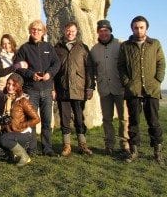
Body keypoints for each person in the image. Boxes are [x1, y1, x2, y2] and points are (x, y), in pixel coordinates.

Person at [118, 16, 165, 163]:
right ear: (132, 28)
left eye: (141, 27)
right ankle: (134, 151)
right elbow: (121, 66)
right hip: (133, 90)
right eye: (136, 27)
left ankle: (157, 152)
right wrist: (127, 83)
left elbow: (161, 63)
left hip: (152, 89)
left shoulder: (155, 43)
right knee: (134, 122)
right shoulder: (126, 46)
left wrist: (158, 80)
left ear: (146, 28)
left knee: (154, 121)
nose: (139, 30)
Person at [14, 20, 61, 157]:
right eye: (34, 29)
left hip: (46, 89)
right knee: (32, 120)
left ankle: (47, 148)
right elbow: (18, 67)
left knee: (46, 120)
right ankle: (32, 148)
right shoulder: (24, 48)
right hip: (31, 89)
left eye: (39, 30)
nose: (36, 31)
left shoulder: (48, 47)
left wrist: (49, 74)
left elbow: (56, 63)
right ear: (30, 30)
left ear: (43, 32)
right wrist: (30, 74)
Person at [54, 21, 95, 157]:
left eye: (72, 30)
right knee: (65, 118)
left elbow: (89, 69)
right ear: (64, 31)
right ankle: (67, 145)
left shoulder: (83, 47)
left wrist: (90, 87)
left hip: (79, 88)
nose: (70, 33)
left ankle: (82, 144)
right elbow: (53, 69)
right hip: (62, 87)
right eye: (68, 30)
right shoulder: (57, 48)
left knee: (79, 117)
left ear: (76, 32)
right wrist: (53, 88)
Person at [90, 19, 129, 155]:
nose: (103, 33)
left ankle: (125, 144)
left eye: (106, 30)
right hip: (104, 89)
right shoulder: (94, 50)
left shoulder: (120, 45)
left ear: (110, 31)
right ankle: (109, 145)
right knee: (107, 119)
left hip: (120, 88)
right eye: (101, 31)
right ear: (98, 33)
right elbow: (92, 70)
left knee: (124, 118)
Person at [0, 73, 41, 166]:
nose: (10, 87)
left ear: (18, 86)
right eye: (8, 84)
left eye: (13, 85)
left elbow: (36, 119)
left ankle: (24, 156)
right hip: (9, 132)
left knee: (4, 139)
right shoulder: (5, 98)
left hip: (22, 133)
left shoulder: (23, 100)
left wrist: (21, 125)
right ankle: (11, 153)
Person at [0, 34, 17, 115]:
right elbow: (1, 72)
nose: (6, 46)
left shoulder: (17, 56)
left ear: (12, 43)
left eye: (9, 43)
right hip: (1, 89)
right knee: (0, 112)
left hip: (14, 88)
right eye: (4, 43)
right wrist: (15, 66)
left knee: (13, 113)